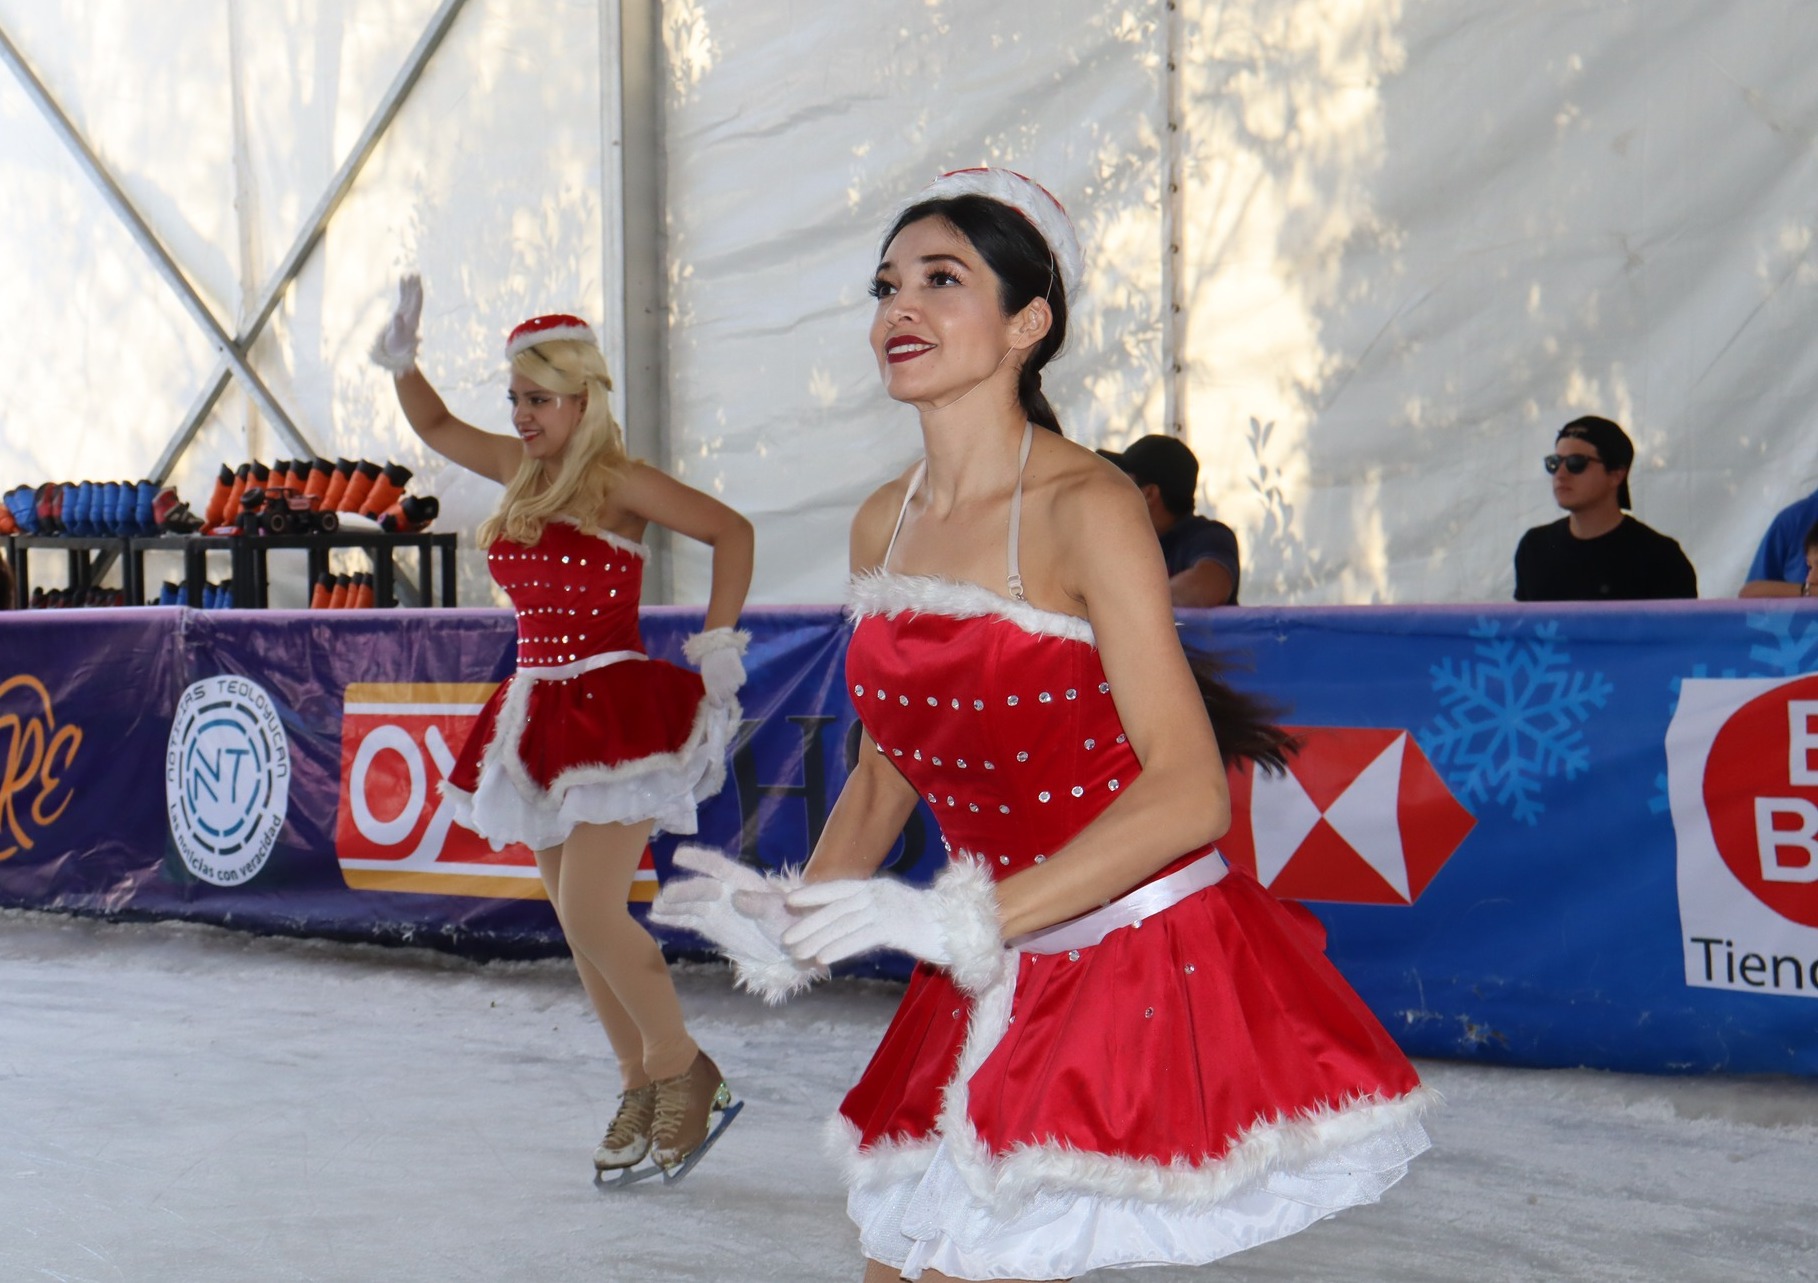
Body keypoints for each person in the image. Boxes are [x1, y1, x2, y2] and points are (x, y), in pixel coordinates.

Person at [652, 169, 1431, 1282]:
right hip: (981, 970)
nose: (898, 309)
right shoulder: (887, 515)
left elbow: (1190, 791)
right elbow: (888, 773)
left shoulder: (1089, 506)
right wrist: (794, 910)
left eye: (941, 279)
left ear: (1029, 323)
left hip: (1127, 960)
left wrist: (968, 921)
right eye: (886, 285)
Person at [369, 281, 754, 1180]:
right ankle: (637, 1080)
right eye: (515, 398)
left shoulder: (617, 481)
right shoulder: (519, 468)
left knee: (590, 907)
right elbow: (432, 426)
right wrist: (403, 358)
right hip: (539, 707)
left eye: (538, 398)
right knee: (578, 922)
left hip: (615, 709)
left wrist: (720, 634)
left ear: (583, 398)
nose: (521, 413)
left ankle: (686, 1070)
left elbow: (732, 531)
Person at [1513, 415, 1697, 601]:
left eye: (1576, 463)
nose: (1560, 474)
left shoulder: (1660, 558)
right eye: (1554, 463)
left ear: (1616, 474)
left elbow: (1681, 629)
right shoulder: (1534, 548)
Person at [1099, 433, 1241, 605]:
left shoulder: (1208, 536)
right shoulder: (1121, 540)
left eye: (1123, 479)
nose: (1113, 487)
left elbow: (1207, 587)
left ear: (1149, 494)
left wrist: (1127, 606)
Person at [1739, 490, 1818, 597]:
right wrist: (1809, 591)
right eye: (1809, 567)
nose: (1810, 578)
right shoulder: (1793, 520)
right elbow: (1750, 594)